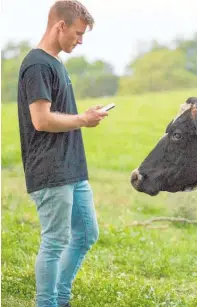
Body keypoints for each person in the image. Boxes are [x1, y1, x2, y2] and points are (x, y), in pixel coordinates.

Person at [17, 1, 108, 306]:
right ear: (61, 26)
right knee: (55, 241)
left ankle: (61, 297)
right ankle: (47, 302)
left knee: (85, 234)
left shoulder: (56, 63)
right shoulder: (38, 65)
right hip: (51, 170)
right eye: (78, 33)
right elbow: (41, 120)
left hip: (72, 169)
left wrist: (84, 115)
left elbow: (60, 114)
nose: (80, 41)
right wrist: (83, 119)